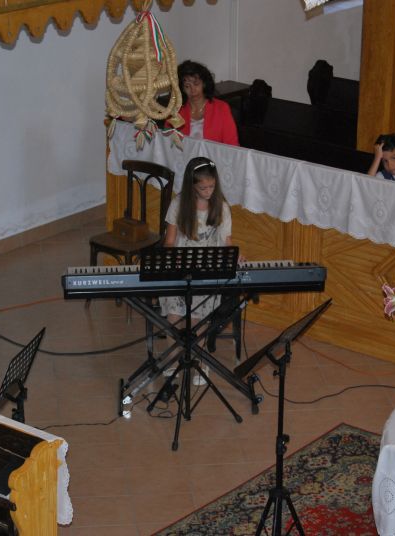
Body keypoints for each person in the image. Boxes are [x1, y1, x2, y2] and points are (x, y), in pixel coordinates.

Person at [161, 156, 240, 384]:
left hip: (207, 270)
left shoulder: (221, 207)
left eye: (212, 186)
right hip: (181, 269)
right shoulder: (179, 204)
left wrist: (235, 255)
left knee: (199, 318)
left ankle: (201, 363)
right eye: (203, 188)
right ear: (192, 186)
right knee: (175, 317)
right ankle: (173, 360)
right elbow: (169, 242)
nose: (208, 191)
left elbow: (226, 242)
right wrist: (174, 258)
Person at [173, 60, 239, 146]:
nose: (193, 90)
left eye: (196, 84)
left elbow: (232, 144)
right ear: (181, 89)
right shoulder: (177, 111)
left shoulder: (221, 108)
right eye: (187, 86)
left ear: (204, 84)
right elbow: (168, 142)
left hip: (214, 154)